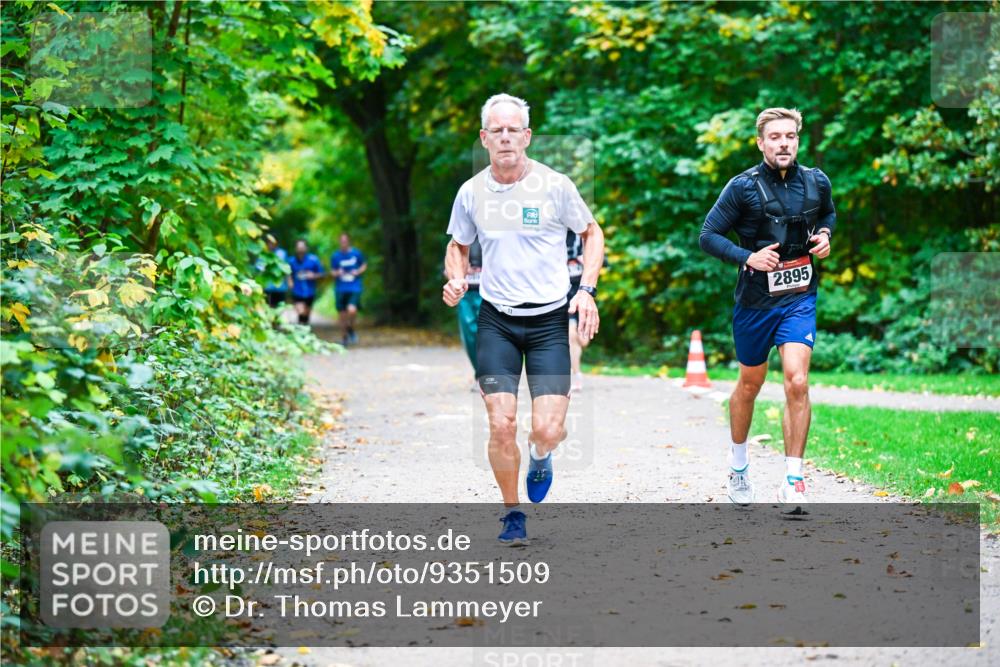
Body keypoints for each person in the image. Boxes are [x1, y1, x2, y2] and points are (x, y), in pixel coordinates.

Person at [443, 93, 605, 545]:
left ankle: (540, 454)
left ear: (527, 136)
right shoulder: (471, 192)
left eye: (514, 129)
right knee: (500, 424)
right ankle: (512, 512)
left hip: (551, 321)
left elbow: (592, 234)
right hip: (497, 321)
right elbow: (457, 245)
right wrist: (456, 280)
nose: (506, 137)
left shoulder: (555, 186)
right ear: (485, 138)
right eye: (497, 130)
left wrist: (587, 291)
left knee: (548, 429)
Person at [699, 107, 835, 510]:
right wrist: (748, 258)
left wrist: (826, 233)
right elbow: (708, 235)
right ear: (761, 143)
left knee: (797, 380)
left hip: (799, 296)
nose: (783, 143)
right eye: (774, 137)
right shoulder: (742, 187)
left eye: (790, 136)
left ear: (798, 140)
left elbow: (827, 213)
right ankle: (738, 465)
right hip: (755, 301)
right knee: (749, 385)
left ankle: (794, 479)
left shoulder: (816, 181)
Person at [452, 238, 484, 387]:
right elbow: (447, 268)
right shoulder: (459, 239)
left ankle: (488, 375)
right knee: (470, 335)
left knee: (488, 336)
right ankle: (479, 373)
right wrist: (459, 273)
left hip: (489, 293)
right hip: (466, 294)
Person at [330, 233, 367, 345]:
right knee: (342, 315)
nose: (343, 243)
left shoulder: (356, 253)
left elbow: (364, 265)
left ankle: (350, 328)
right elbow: (332, 271)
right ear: (339, 242)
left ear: (349, 241)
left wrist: (358, 272)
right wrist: (337, 273)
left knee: (352, 310)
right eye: (341, 241)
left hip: (354, 286)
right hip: (340, 288)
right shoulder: (335, 256)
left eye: (345, 241)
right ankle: (344, 338)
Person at [287, 239, 324, 326]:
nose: (300, 250)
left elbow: (321, 274)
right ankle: (301, 329)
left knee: (306, 314)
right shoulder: (291, 261)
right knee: (301, 311)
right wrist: (290, 282)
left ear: (306, 248)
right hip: (297, 291)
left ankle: (304, 330)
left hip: (310, 291)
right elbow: (288, 273)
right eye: (299, 248)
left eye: (302, 247)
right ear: (296, 249)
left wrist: (313, 275)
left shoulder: (313, 260)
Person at [260, 235, 289, 308]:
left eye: (272, 243)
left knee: (280, 309)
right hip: (267, 288)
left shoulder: (282, 253)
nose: (270, 245)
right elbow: (259, 268)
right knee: (268, 309)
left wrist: (289, 281)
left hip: (280, 288)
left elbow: (286, 269)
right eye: (269, 242)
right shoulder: (263, 254)